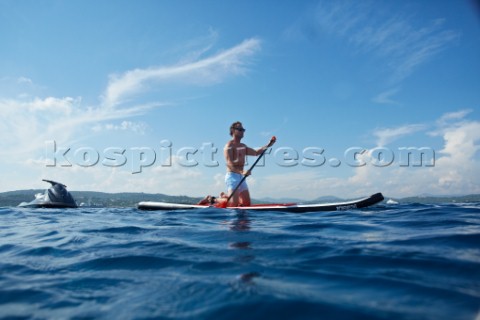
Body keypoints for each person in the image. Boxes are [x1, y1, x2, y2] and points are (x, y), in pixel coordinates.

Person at [224, 121, 276, 207]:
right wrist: (242, 171)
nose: (243, 131)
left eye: (243, 129)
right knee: (233, 206)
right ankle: (221, 198)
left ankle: (228, 197)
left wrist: (269, 144)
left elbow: (256, 152)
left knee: (247, 205)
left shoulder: (243, 146)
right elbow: (229, 165)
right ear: (233, 131)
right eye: (240, 129)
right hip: (232, 177)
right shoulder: (229, 145)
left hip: (241, 177)